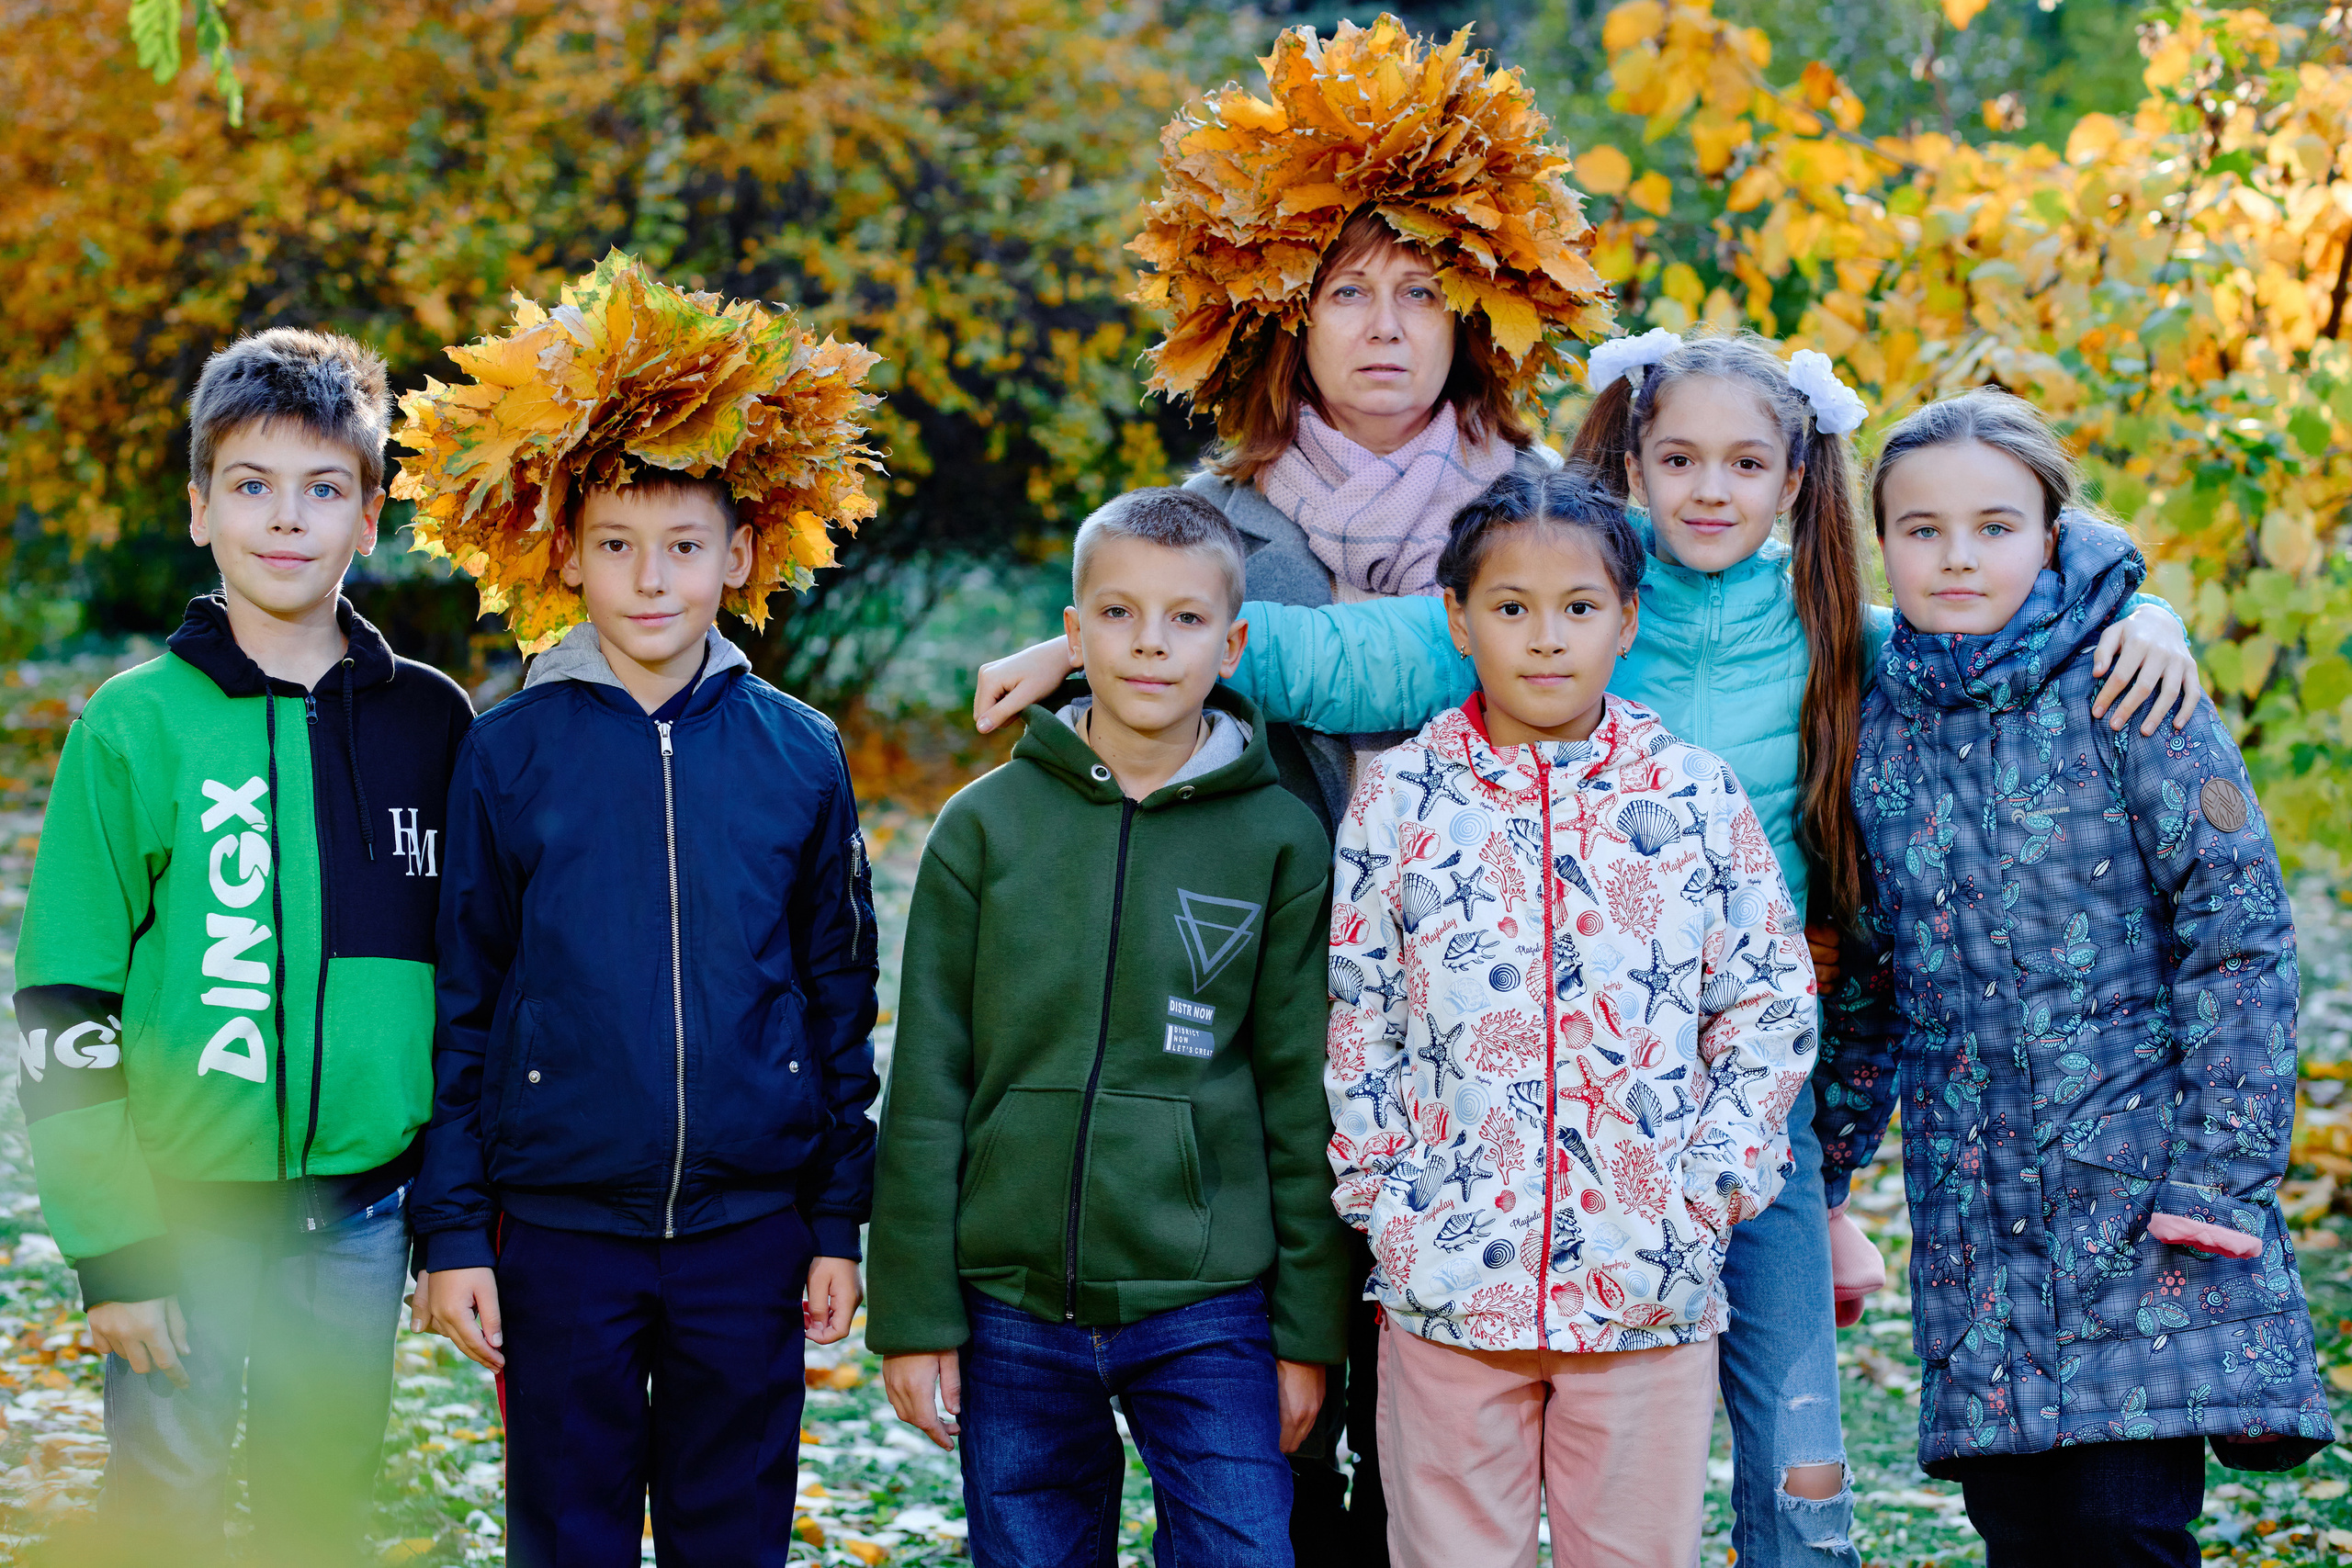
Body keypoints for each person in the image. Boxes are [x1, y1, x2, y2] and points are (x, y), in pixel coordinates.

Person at [978, 330, 2204, 1563]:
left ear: (1793, 480)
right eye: (1678, 456)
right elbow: (1324, 654)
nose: (1709, 488)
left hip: (1730, 1101)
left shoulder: (1841, 627)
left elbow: (1993, 614)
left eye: (1743, 463)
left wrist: (2142, 604)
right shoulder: (1560, 587)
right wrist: (1085, 647)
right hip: (1499, 1115)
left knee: (1796, 1448)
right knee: (1467, 1460)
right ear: (1632, 459)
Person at [976, 21, 1612, 1556]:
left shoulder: (1559, 530)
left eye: (1419, 292)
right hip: (1258, 1017)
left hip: (1497, 1027)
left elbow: (1757, 609)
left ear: (1480, 312)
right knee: (1280, 1402)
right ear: (1281, 316)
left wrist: (2126, 598)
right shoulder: (1215, 522)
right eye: (1344, 294)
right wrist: (1072, 661)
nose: (1385, 329)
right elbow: (1148, 646)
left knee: (1445, 1410)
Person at [398, 255, 887, 1568]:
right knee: (569, 1530)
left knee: (735, 1529)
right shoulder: (510, 753)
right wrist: (454, 1229)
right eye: (617, 545)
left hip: (749, 1230)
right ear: (567, 553)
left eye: (683, 546)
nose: (652, 577)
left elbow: (840, 994)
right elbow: (467, 997)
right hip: (561, 1231)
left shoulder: (798, 752)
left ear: (739, 551)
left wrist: (836, 1216)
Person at [1813, 389, 2332, 1565]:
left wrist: (2221, 1176)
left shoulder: (2126, 688)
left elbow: (2238, 936)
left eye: (1995, 526)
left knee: (2123, 1526)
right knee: (2020, 1531)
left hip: (2144, 1205)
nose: (1957, 556)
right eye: (1921, 529)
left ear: (2051, 533)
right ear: (1879, 543)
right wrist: (1821, 1172)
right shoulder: (1874, 721)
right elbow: (1874, 981)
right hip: (1975, 1225)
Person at [12, 329, 475, 1566]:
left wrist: (451, 1214)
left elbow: (469, 979)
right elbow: (61, 1001)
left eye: (325, 487)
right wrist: (115, 1248)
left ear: (372, 514)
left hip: (362, 1224)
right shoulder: (134, 723)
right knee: (163, 1512)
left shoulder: (433, 721)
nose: (288, 519)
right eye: (253, 485)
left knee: (317, 1514)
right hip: (183, 1217)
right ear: (199, 505)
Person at [1328, 465, 1815, 1564]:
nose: (1545, 638)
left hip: (1647, 1287)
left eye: (1579, 608)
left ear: (1627, 619)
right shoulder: (1399, 801)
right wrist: (1389, 1202)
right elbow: (1362, 1018)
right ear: (1458, 619)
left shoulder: (1692, 795)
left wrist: (1708, 1187)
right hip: (1448, 1292)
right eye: (1510, 609)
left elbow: (1768, 1002)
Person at [867, 487, 1351, 1567]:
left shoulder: (1279, 840)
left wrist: (1307, 1333)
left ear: (1230, 645)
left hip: (1209, 1305)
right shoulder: (983, 828)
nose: (1149, 645)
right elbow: (930, 1078)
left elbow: (1298, 1092)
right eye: (1119, 615)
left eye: (1184, 620)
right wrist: (914, 1313)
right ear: (1074, 636)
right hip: (1010, 1307)